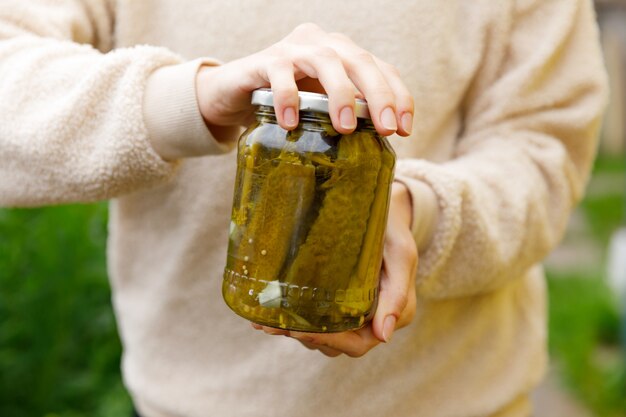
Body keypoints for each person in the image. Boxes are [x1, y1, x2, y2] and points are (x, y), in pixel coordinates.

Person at [0, 1, 607, 416]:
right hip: (190, 403)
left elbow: (542, 152)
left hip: (459, 398)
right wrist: (194, 99)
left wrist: (410, 212)